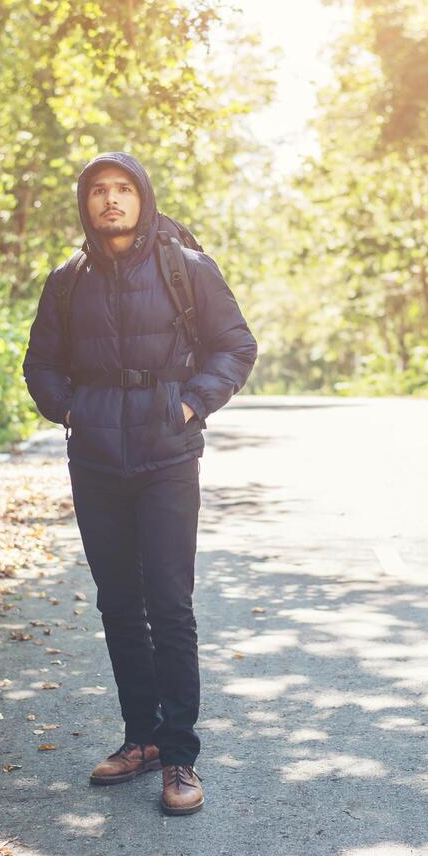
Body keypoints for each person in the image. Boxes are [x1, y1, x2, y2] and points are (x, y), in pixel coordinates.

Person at [22, 150, 258, 816]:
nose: (111, 201)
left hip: (167, 456)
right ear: (86, 204)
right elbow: (39, 365)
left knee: (169, 603)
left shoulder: (186, 270)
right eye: (98, 191)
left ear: (142, 198)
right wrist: (71, 410)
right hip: (94, 457)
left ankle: (179, 753)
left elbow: (235, 346)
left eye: (123, 189)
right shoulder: (67, 281)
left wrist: (187, 405)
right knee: (119, 604)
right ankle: (140, 740)